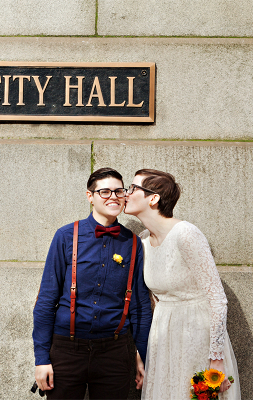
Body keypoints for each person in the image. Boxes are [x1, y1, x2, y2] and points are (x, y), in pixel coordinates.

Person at [33, 167, 153, 400]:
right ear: (90, 197)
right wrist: (42, 359)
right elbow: (46, 300)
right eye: (105, 192)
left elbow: (140, 308)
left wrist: (143, 357)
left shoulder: (134, 244)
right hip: (66, 350)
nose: (113, 197)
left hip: (115, 353)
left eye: (119, 191)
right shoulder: (66, 236)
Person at [124, 169, 240, 400]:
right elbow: (149, 302)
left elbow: (217, 297)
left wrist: (216, 358)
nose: (126, 193)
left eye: (133, 188)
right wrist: (141, 354)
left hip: (195, 333)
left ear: (153, 198)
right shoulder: (144, 241)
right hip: (163, 335)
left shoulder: (186, 233)